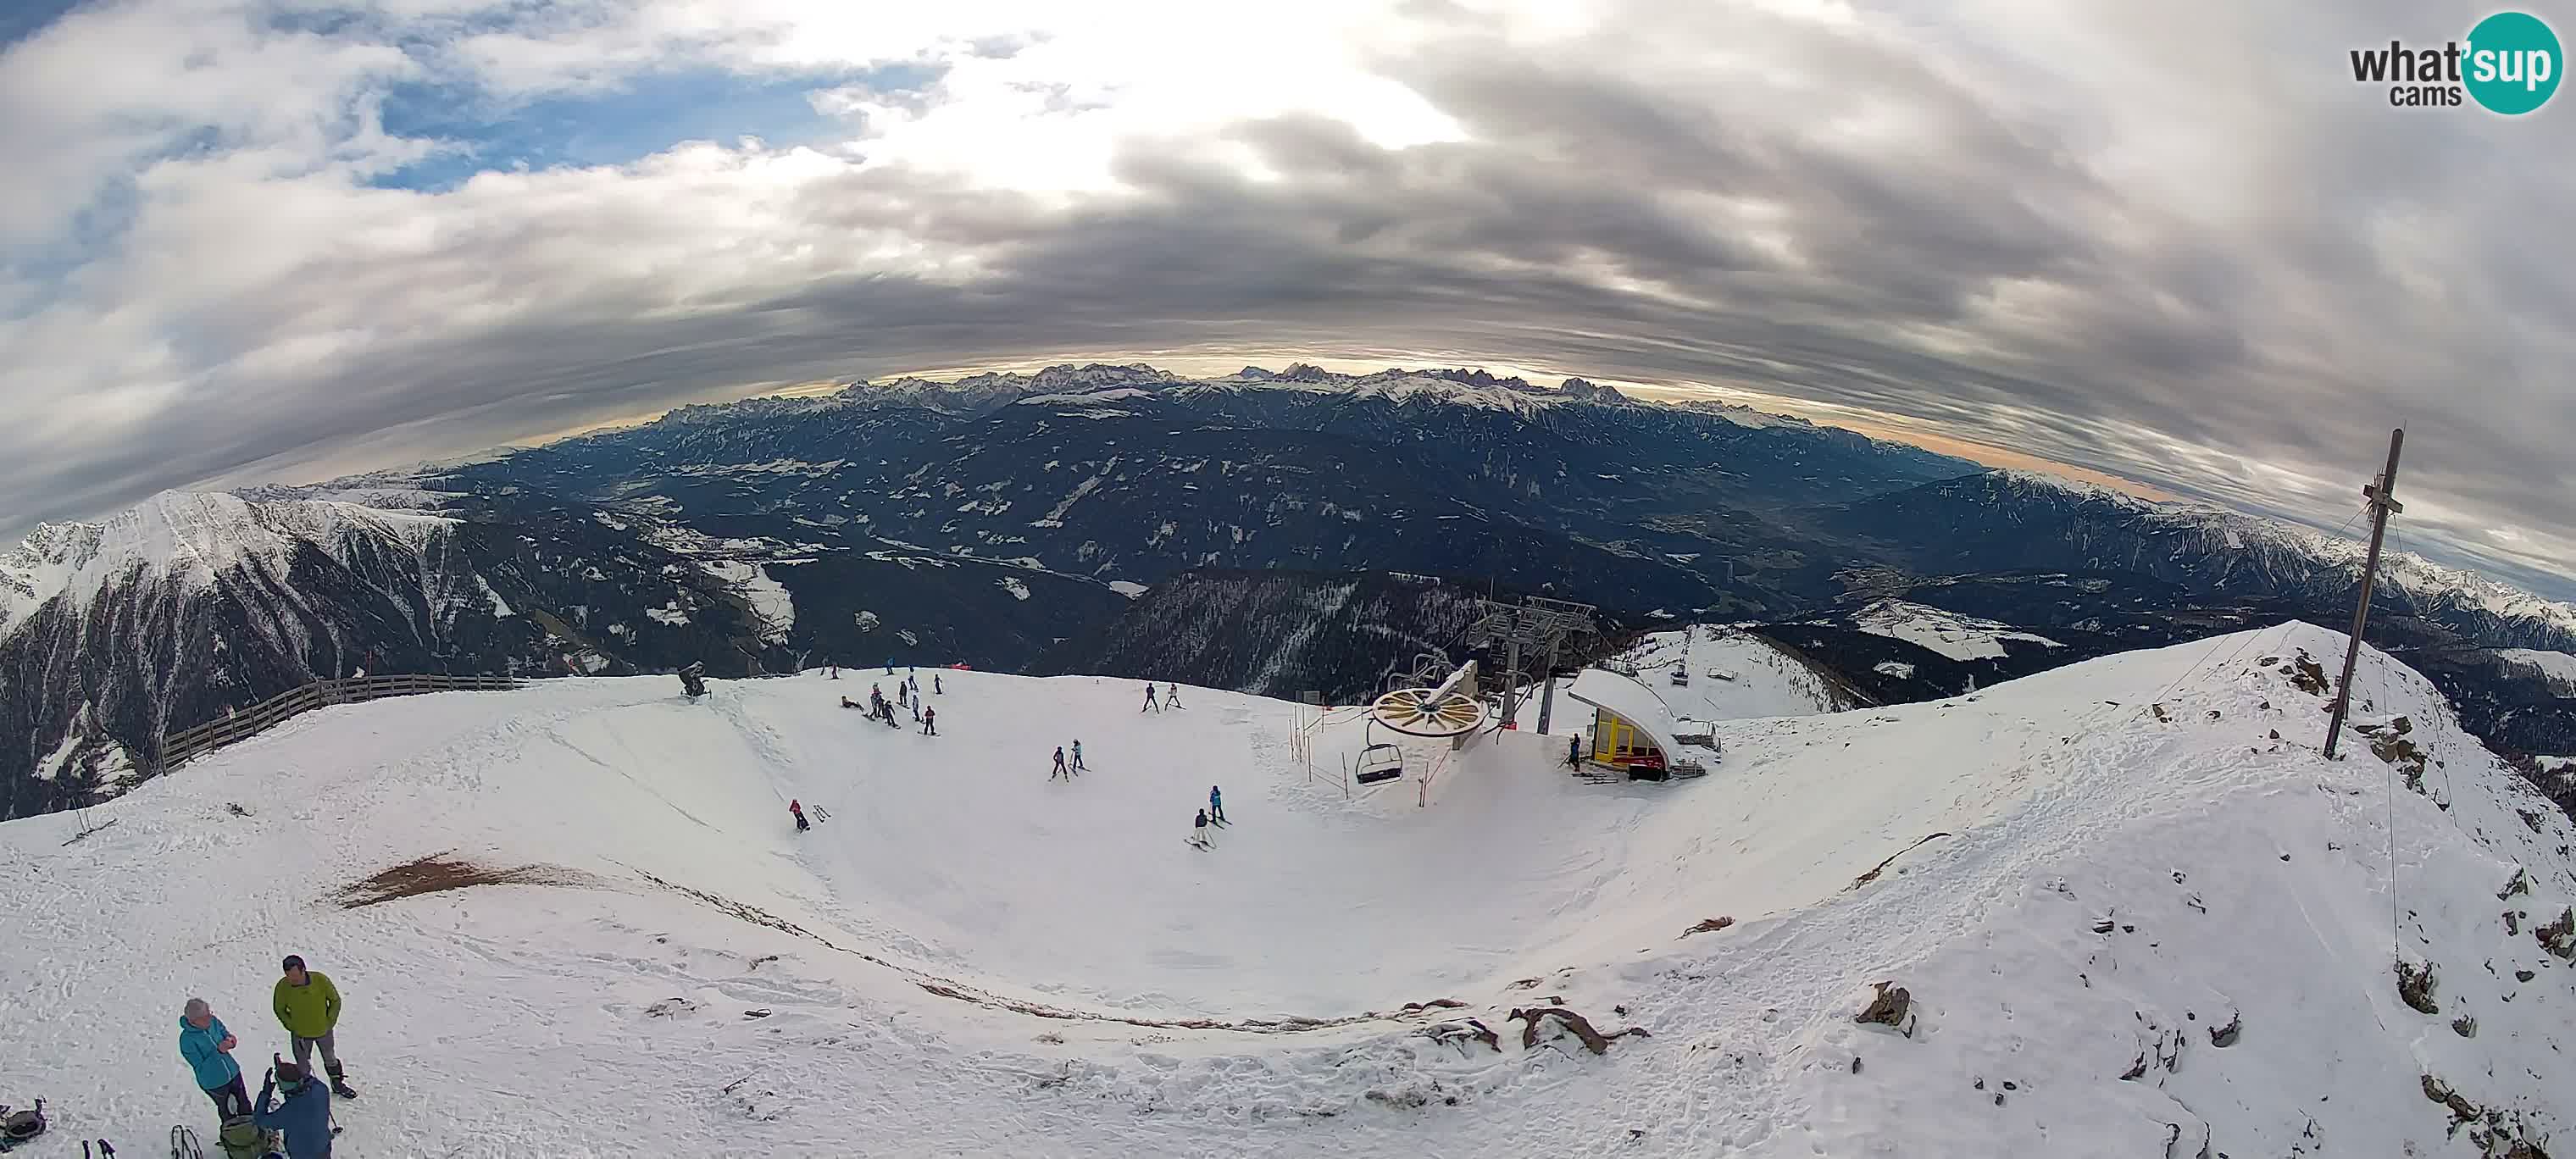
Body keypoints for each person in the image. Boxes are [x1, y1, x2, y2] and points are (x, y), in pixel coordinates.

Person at [273, 956, 353, 1099]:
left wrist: (330, 1021)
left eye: (295, 976)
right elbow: (279, 1008)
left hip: (323, 1031)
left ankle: (337, 1083)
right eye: (289, 976)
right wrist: (291, 1026)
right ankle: (305, 1092)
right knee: (303, 1066)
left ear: (304, 970)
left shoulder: (320, 980)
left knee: (330, 1058)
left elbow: (335, 1000)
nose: (293, 980)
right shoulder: (283, 987)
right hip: (300, 1035)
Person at [179, 998, 249, 1119]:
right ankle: (232, 1134)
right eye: (205, 1018)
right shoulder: (187, 1040)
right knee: (228, 1111)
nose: (210, 1019)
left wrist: (230, 1040)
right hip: (215, 1083)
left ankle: (253, 1131)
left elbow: (224, 1033)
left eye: (209, 1014)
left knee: (244, 1104)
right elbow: (200, 1066)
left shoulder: (213, 1022)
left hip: (233, 1072)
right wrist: (218, 1052)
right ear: (193, 1021)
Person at [251, 1060, 333, 1159]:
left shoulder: (290, 1111)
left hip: (303, 1153)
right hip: (323, 1144)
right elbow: (298, 1089)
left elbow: (260, 1120)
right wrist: (285, 1069)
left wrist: (266, 1093)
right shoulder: (320, 1088)